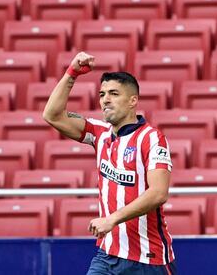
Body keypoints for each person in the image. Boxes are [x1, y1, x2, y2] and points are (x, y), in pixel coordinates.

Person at [43, 52, 176, 274]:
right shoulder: (100, 133)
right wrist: (72, 73)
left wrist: (112, 220)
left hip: (148, 259)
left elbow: (159, 193)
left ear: (133, 101)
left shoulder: (152, 138)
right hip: (108, 255)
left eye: (114, 93)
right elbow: (52, 115)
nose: (105, 99)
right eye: (102, 94)